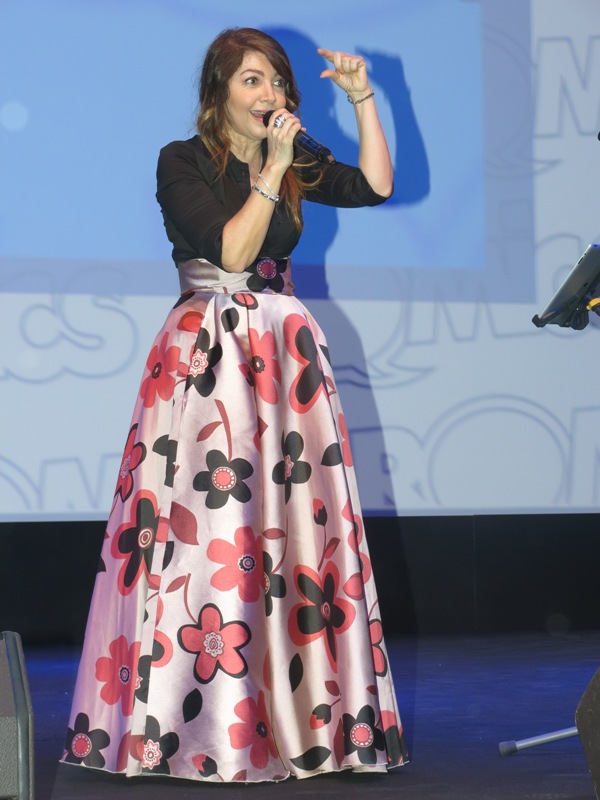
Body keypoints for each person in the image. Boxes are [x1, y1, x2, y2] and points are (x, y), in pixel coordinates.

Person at [62, 27, 408, 783]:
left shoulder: (293, 159)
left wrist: (363, 101)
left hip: (282, 355)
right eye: (253, 80)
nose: (270, 94)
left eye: (277, 81)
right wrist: (273, 169)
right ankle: (190, 724)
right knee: (207, 531)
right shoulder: (181, 160)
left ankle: (302, 720)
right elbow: (232, 254)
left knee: (292, 534)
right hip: (209, 356)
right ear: (217, 91)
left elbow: (376, 186)